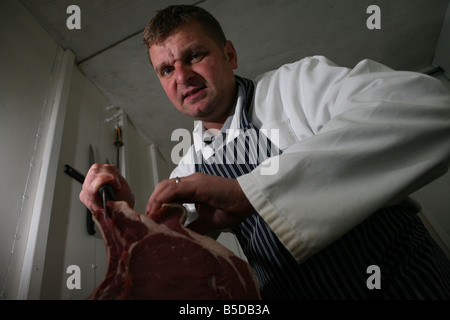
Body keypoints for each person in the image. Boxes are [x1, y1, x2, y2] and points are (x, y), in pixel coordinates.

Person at [80, 5, 450, 299]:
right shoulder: (188, 169)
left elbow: (429, 107)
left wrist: (251, 194)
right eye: (165, 70)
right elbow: (170, 260)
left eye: (194, 56)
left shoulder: (294, 88)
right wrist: (126, 216)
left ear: (230, 54)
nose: (182, 77)